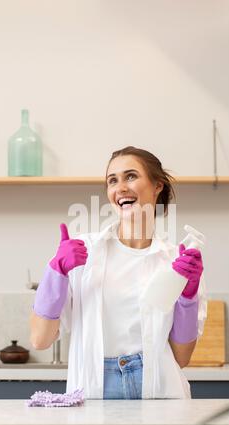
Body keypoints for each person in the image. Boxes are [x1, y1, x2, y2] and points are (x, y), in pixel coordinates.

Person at [30, 146, 206, 399]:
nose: (120, 188)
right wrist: (55, 273)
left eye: (131, 176)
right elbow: (40, 339)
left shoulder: (177, 262)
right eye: (113, 180)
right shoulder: (82, 253)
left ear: (157, 185)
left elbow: (182, 357)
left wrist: (188, 297)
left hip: (160, 395)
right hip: (93, 394)